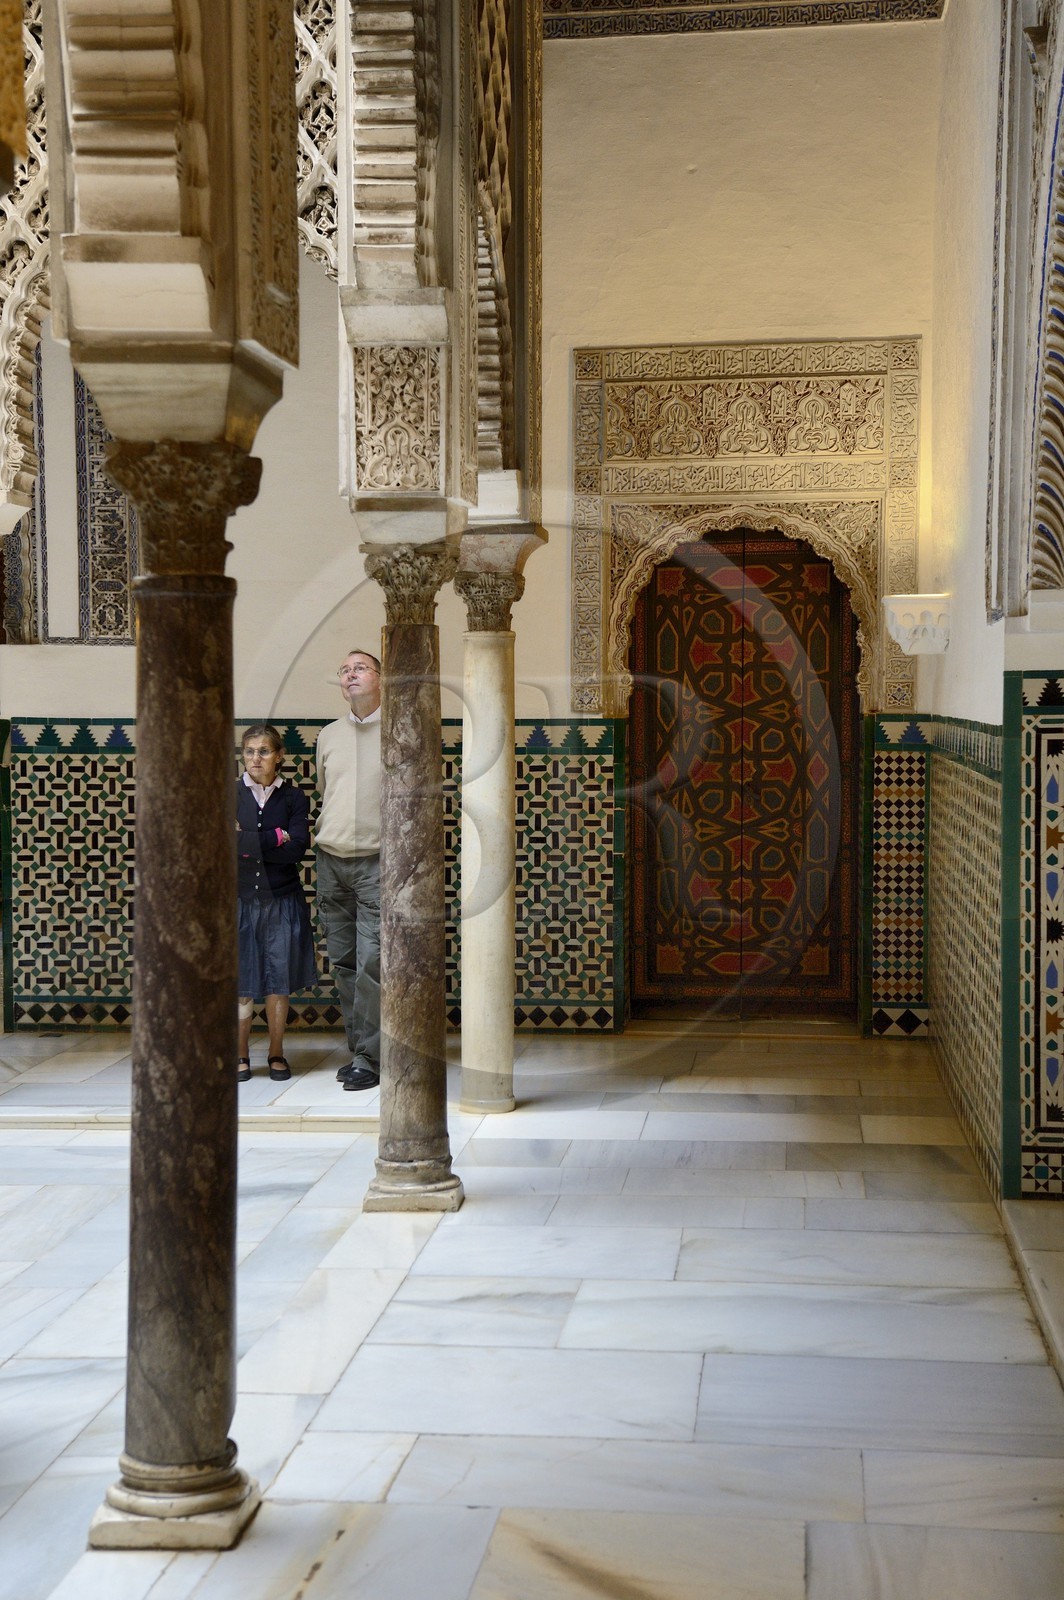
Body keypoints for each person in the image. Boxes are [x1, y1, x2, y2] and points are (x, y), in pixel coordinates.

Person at [315, 649, 382, 1091]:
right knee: (342, 962)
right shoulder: (328, 735)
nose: (350, 674)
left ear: (380, 678)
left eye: (360, 667)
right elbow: (326, 793)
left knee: (371, 963)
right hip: (330, 860)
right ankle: (358, 1047)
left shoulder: (399, 730)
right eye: (344, 670)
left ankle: (369, 1057)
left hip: (378, 861)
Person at [236, 723, 317, 1082]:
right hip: (237, 900)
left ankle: (276, 1053)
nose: (256, 758)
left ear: (279, 756)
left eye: (264, 751)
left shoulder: (294, 798)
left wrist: (248, 842)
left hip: (283, 899)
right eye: (250, 751)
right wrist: (275, 836)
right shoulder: (228, 793)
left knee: (278, 980)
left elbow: (297, 851)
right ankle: (239, 1056)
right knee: (242, 982)